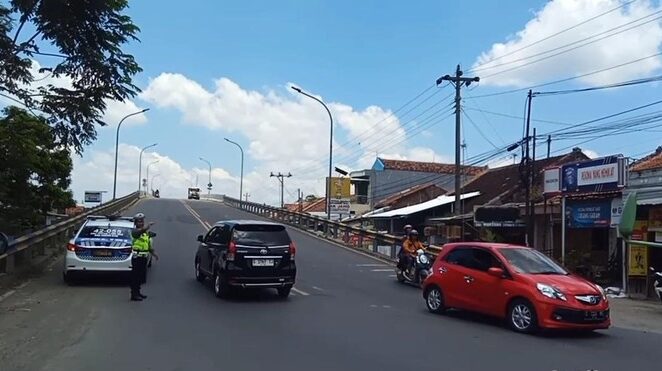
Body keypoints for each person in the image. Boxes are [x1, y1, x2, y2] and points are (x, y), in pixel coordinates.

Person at [130, 212, 159, 301]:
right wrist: (147, 227)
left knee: (141, 277)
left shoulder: (145, 233)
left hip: (143, 257)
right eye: (139, 222)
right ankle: (134, 294)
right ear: (135, 223)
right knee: (135, 277)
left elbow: (147, 245)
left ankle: (138, 292)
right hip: (137, 257)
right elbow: (138, 233)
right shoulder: (135, 231)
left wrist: (154, 253)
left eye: (142, 221)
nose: (141, 223)